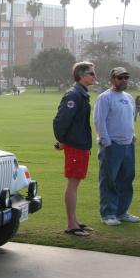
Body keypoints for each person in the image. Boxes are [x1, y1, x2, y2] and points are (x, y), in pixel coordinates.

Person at [53, 61, 96, 237]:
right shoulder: (74, 95)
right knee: (72, 184)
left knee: (75, 184)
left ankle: (75, 221)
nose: (94, 76)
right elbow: (61, 120)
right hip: (76, 146)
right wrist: (61, 140)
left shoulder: (81, 94)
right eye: (91, 73)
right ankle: (71, 224)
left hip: (81, 144)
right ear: (81, 75)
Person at [94, 67, 140, 226]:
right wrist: (106, 142)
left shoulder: (128, 97)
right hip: (112, 145)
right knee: (109, 180)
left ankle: (121, 212)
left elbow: (128, 119)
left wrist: (132, 135)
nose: (124, 80)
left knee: (126, 179)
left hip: (128, 145)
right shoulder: (104, 98)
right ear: (112, 79)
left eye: (126, 77)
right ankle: (108, 214)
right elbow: (100, 121)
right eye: (120, 78)